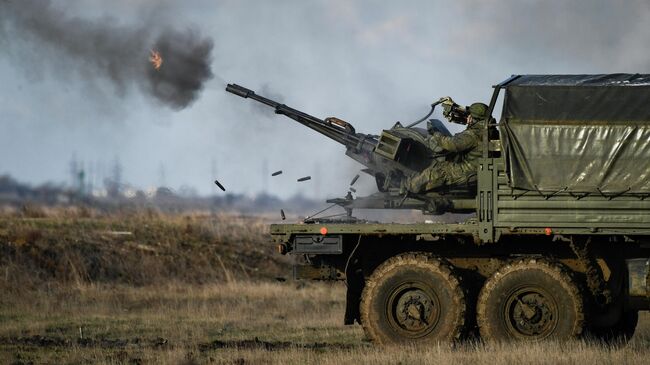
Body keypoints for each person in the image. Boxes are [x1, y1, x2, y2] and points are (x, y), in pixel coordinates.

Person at [404, 102, 489, 194]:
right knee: (444, 163)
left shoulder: (474, 134)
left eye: (470, 116)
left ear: (474, 118)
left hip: (469, 171)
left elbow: (453, 145)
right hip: (477, 168)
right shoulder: (487, 130)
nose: (468, 117)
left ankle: (408, 187)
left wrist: (436, 134)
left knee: (438, 171)